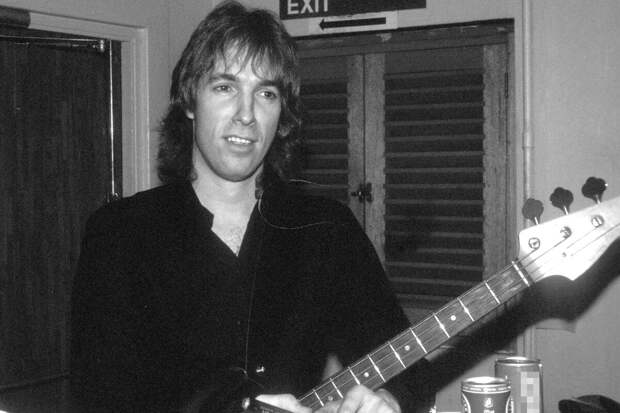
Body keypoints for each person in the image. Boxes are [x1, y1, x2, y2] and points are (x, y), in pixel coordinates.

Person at [70, 2, 435, 412]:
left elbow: (412, 368)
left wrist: (387, 399)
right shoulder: (121, 233)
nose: (246, 115)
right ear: (190, 101)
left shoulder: (327, 230)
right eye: (225, 87)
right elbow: (99, 398)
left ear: (282, 115)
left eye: (266, 93)